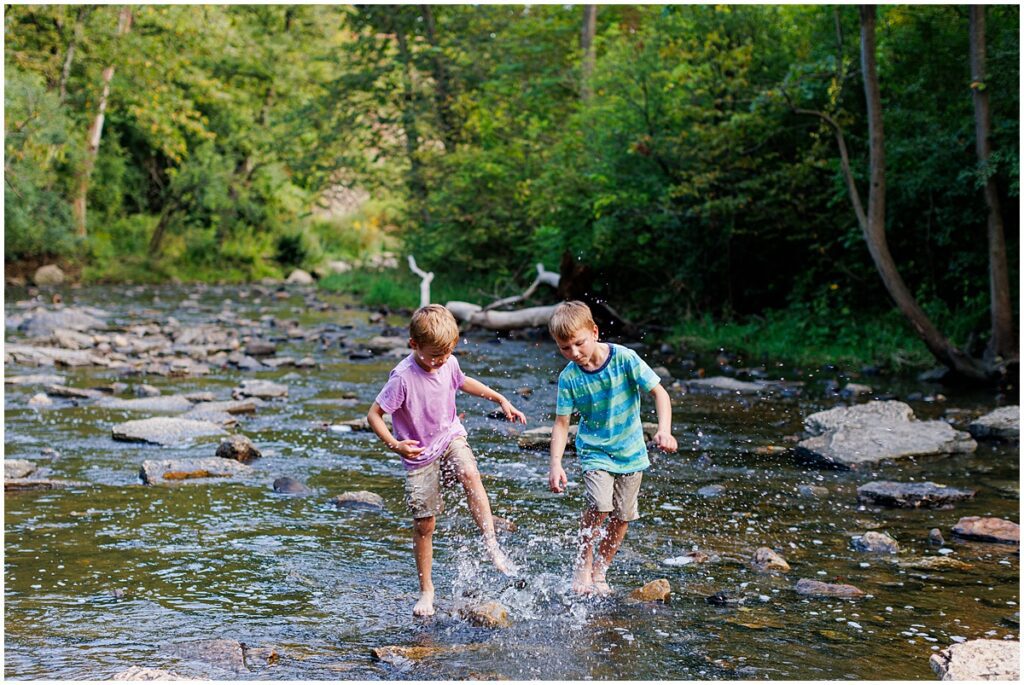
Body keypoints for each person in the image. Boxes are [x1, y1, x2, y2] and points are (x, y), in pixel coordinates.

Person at [367, 304, 526, 617]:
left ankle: (492, 546)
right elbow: (374, 415)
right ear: (413, 345)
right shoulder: (402, 378)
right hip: (419, 454)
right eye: (434, 356)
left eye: (446, 354)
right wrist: (395, 444)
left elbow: (462, 381)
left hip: (449, 436)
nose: (440, 362)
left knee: (470, 472)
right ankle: (427, 590)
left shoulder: (448, 362)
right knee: (425, 524)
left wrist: (500, 398)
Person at [546, 300, 677, 596]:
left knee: (622, 516)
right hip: (595, 451)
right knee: (600, 505)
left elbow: (660, 393)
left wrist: (664, 431)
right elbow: (562, 424)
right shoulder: (570, 377)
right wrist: (556, 464)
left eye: (579, 344)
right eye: (565, 348)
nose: (574, 353)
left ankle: (601, 569)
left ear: (594, 331)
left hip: (631, 452)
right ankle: (584, 561)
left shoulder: (624, 359)